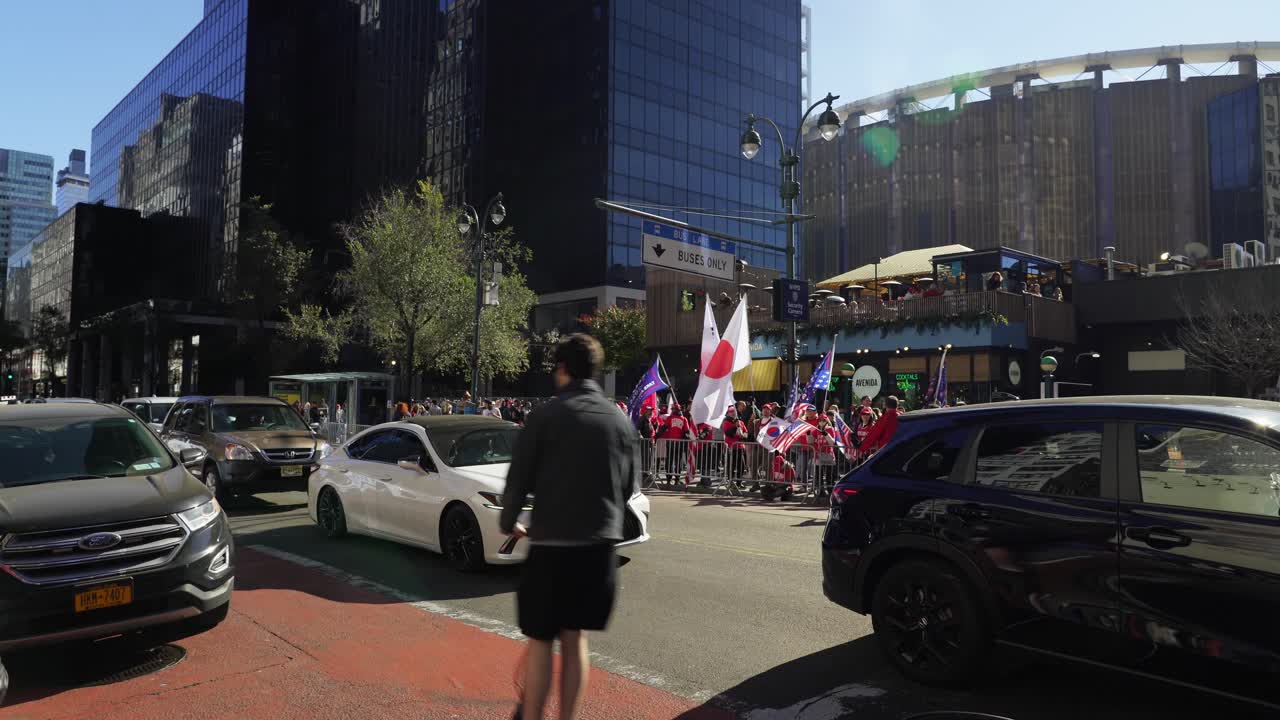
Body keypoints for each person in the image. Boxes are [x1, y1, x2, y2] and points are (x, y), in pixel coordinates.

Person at [500, 334, 638, 720]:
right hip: (598, 549)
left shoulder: (544, 416)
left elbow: (518, 480)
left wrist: (509, 521)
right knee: (576, 637)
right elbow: (628, 487)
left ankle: (532, 716)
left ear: (562, 370)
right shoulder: (619, 420)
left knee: (542, 639)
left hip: (550, 545)